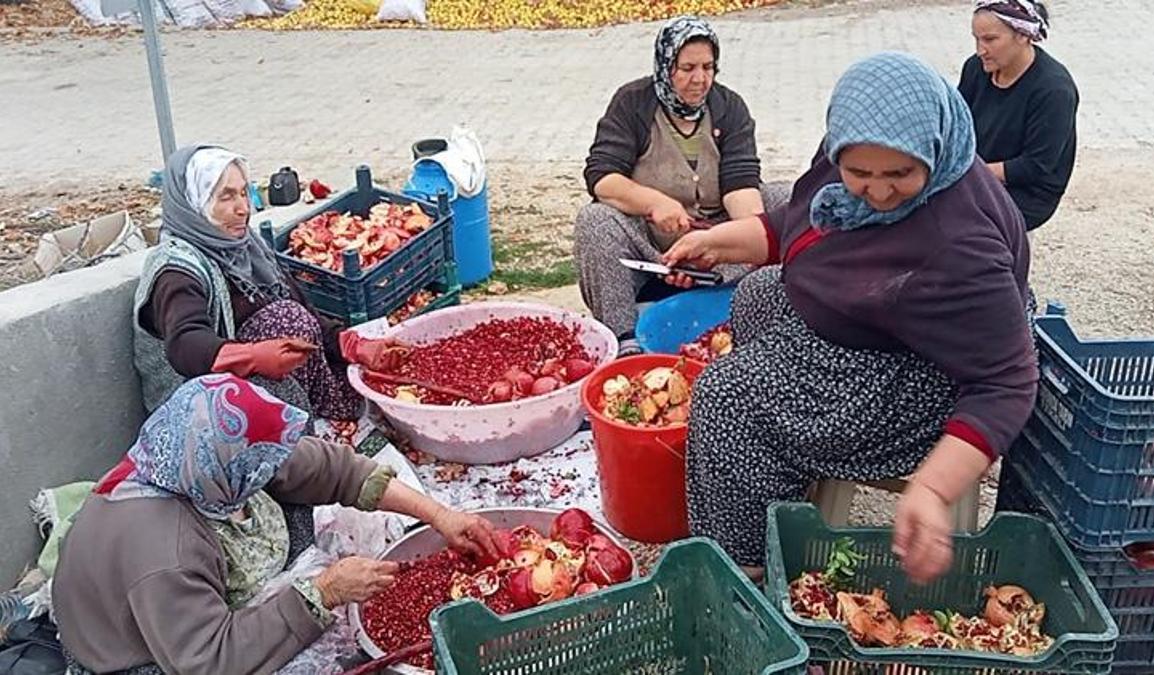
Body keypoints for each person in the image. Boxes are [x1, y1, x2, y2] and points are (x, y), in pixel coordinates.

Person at [663, 52, 1037, 584]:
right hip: (879, 328)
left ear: (934, 149)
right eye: (859, 173)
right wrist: (716, 243)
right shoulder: (850, 161)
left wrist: (933, 489)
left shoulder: (959, 245)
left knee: (727, 398)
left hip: (920, 377)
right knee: (756, 293)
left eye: (902, 174)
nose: (879, 192)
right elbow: (801, 223)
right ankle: (778, 470)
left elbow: (1007, 381)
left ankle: (748, 571)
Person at [53, 374, 497, 675]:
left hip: (180, 611)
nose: (271, 468)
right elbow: (210, 660)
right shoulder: (165, 549)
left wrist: (440, 515)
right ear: (228, 471)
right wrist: (323, 593)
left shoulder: (197, 454)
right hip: (145, 657)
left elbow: (330, 470)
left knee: (326, 510)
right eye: (258, 468)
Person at [132, 145, 405, 421]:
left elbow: (305, 311)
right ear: (193, 203)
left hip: (254, 382)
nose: (243, 209)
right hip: (196, 409)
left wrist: (351, 344)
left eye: (243, 193)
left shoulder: (247, 249)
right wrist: (250, 356)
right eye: (226, 197)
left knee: (355, 375)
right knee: (286, 321)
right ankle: (300, 439)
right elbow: (184, 344)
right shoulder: (176, 269)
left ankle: (317, 428)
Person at [574, 15, 790, 356]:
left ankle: (779, 309)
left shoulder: (728, 107)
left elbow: (741, 183)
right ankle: (624, 339)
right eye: (687, 68)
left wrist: (739, 236)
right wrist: (654, 203)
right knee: (595, 220)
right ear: (665, 64)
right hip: (651, 244)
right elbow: (602, 177)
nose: (699, 79)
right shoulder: (633, 103)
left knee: (787, 197)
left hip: (715, 239)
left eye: (708, 67)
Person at [958, 0, 1078, 231]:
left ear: (1023, 35)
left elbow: (1036, 166)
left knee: (955, 220)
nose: (980, 50)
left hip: (1027, 191)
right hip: (976, 173)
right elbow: (957, 123)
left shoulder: (1054, 90)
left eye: (990, 40)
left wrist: (968, 174)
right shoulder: (976, 68)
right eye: (977, 39)